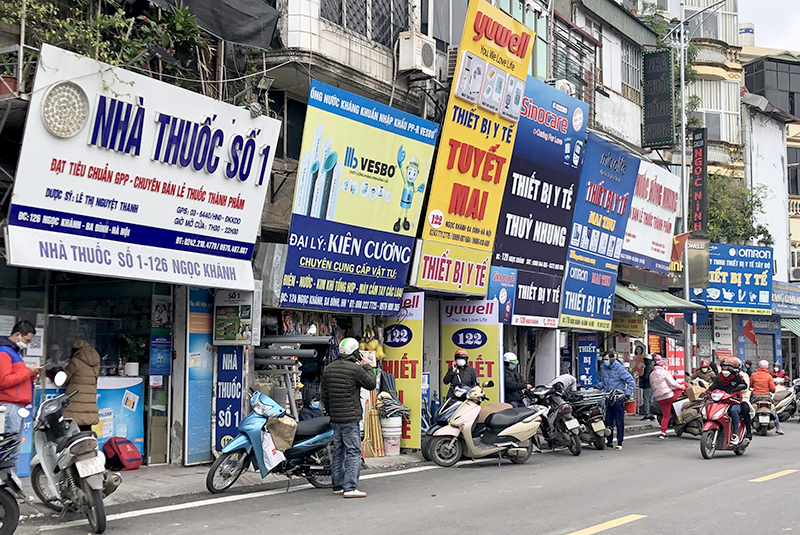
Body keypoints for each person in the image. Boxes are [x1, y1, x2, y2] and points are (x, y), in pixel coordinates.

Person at [321, 337, 376, 498]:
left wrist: (331, 412)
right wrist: (367, 366)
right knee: (353, 452)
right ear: (355, 352)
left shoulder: (329, 369)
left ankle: (337, 485)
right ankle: (350, 487)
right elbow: (371, 384)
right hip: (350, 418)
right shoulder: (355, 369)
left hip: (336, 418)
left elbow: (324, 395)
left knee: (338, 451)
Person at [0, 321, 43, 464]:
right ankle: (6, 477)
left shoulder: (14, 352)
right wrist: (28, 372)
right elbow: (4, 381)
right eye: (27, 340)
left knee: (12, 451)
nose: (27, 344)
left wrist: (31, 375)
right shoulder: (5, 352)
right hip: (9, 405)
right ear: (17, 335)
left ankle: (9, 476)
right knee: (8, 452)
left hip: (16, 406)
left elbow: (16, 379)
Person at [596, 350, 634, 450]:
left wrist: (627, 394)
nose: (605, 361)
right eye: (604, 359)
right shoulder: (603, 367)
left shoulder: (619, 368)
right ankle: (609, 441)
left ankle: (619, 442)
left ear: (612, 359)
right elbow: (604, 381)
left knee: (619, 421)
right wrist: (598, 386)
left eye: (607, 359)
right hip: (607, 397)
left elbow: (630, 381)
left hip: (618, 398)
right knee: (608, 420)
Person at [706, 358, 748, 444]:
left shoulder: (736, 376)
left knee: (733, 411)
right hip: (721, 401)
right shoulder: (719, 377)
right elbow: (713, 387)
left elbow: (744, 385)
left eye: (727, 367)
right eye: (723, 367)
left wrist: (736, 388)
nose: (725, 369)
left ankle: (735, 433)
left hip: (734, 401)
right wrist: (706, 392)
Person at [63, 340, 101, 432]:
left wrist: (56, 370)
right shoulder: (95, 364)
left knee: (74, 432)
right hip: (90, 405)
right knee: (87, 432)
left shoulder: (75, 362)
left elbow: (64, 378)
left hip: (75, 404)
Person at [649, 355, 686, 439]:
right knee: (684, 384)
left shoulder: (651, 374)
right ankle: (692, 398)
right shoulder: (664, 372)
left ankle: (663, 432)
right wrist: (681, 387)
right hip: (668, 396)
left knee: (665, 415)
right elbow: (673, 383)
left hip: (659, 398)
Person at [751, 359, 784, 435]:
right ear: (767, 367)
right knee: (773, 410)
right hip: (767, 396)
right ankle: (778, 428)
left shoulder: (753, 375)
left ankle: (747, 428)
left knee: (750, 410)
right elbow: (773, 388)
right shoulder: (769, 376)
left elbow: (750, 385)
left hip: (755, 396)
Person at [640, 354, 655, 421]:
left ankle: (647, 414)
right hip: (652, 385)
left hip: (647, 385)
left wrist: (640, 377)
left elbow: (646, 376)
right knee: (651, 399)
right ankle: (652, 413)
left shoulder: (648, 367)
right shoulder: (653, 366)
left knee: (646, 399)